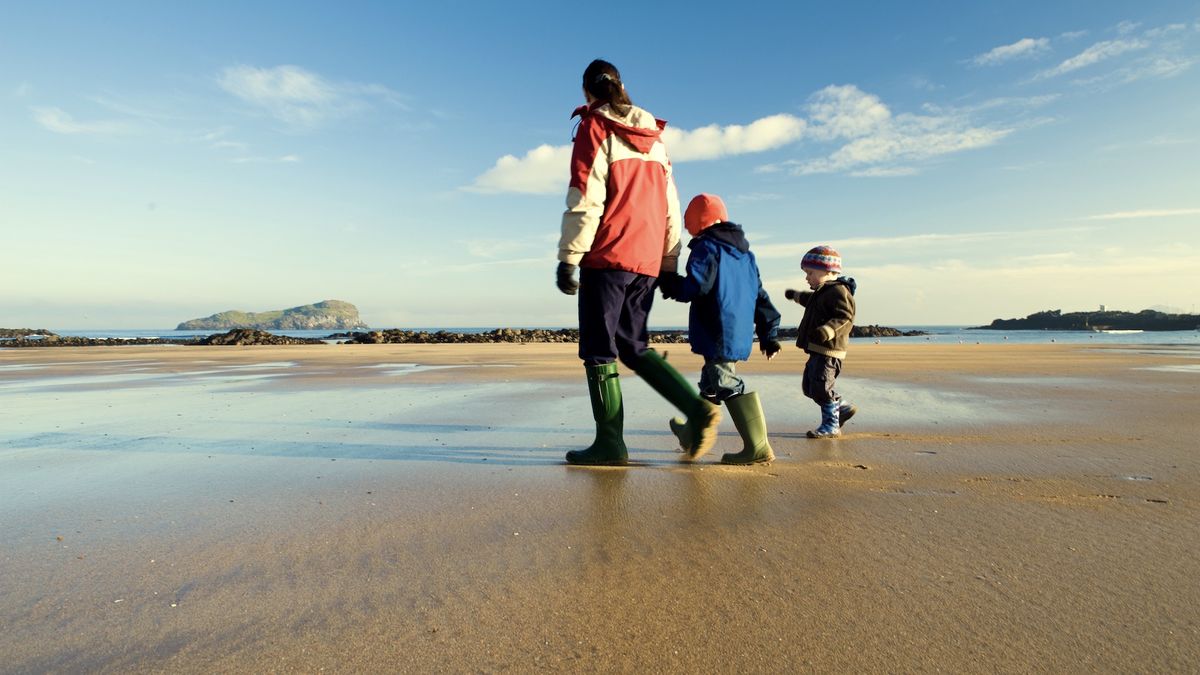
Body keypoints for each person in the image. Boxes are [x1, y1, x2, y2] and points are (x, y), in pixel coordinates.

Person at [555, 59, 721, 465]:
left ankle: (610, 443)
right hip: (645, 259)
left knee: (599, 349)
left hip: (608, 254)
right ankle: (697, 409)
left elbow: (585, 198)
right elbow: (670, 204)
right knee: (632, 345)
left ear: (587, 93)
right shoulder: (656, 140)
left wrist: (568, 257)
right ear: (623, 87)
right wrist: (667, 261)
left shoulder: (596, 129)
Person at [658, 193, 782, 464]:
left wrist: (668, 282)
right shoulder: (745, 255)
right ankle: (692, 433)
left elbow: (696, 286)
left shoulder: (706, 247)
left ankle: (757, 447)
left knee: (725, 382)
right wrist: (769, 334)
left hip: (717, 329)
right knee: (710, 383)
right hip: (736, 332)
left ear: (695, 222)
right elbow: (759, 296)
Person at [783, 246, 859, 438]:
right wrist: (796, 296)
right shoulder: (822, 292)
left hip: (829, 351)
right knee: (809, 387)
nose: (806, 277)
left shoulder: (838, 291)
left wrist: (827, 330)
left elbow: (845, 318)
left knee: (822, 386)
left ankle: (831, 425)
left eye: (810, 273)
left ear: (827, 271)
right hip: (817, 349)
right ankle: (841, 407)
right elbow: (810, 300)